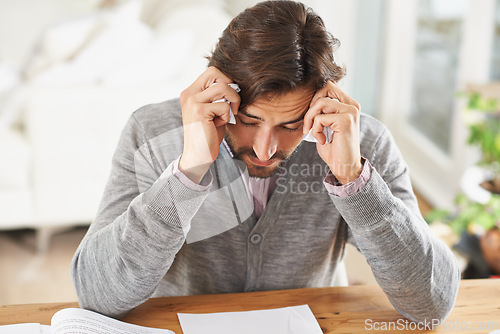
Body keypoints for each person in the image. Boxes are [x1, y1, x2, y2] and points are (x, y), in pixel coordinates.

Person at [71, 0, 460, 323]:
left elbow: (430, 305)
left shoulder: (360, 142)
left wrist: (353, 178)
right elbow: (96, 293)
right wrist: (189, 169)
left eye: (292, 125)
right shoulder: (150, 131)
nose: (264, 150)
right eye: (249, 120)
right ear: (218, 87)